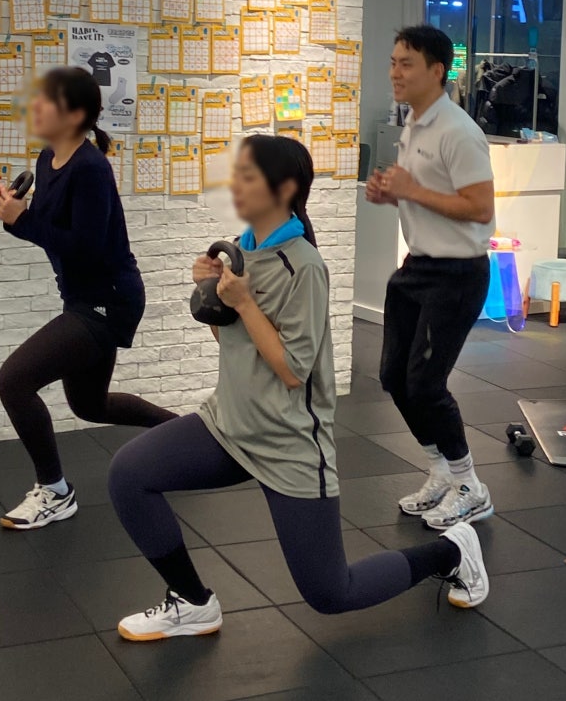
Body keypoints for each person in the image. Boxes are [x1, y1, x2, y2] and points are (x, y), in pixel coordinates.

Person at [107, 134, 489, 642]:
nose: (234, 185)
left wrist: (244, 303)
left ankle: (452, 551)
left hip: (289, 444)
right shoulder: (243, 249)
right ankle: (193, 602)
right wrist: (210, 293)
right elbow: (234, 342)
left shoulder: (303, 265)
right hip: (229, 425)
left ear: (284, 188)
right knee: (128, 474)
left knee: (331, 593)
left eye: (246, 176)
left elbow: (292, 371)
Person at [0, 67, 176, 530]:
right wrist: (12, 215)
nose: (34, 107)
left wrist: (22, 220)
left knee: (14, 380)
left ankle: (55, 492)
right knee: (90, 406)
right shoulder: (47, 159)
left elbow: (85, 248)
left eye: (45, 100)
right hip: (82, 299)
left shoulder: (91, 168)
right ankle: (192, 434)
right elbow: (52, 233)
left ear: (73, 115)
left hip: (108, 300)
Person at [366, 25, 496, 530]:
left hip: (457, 273)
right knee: (394, 377)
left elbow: (480, 208)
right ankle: (441, 471)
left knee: (425, 384)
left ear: (437, 71)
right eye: (393, 62)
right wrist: (393, 195)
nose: (395, 73)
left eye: (407, 64)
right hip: (417, 268)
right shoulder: (413, 124)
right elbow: (427, 196)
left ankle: (470, 485)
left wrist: (412, 191)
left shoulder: (459, 131)